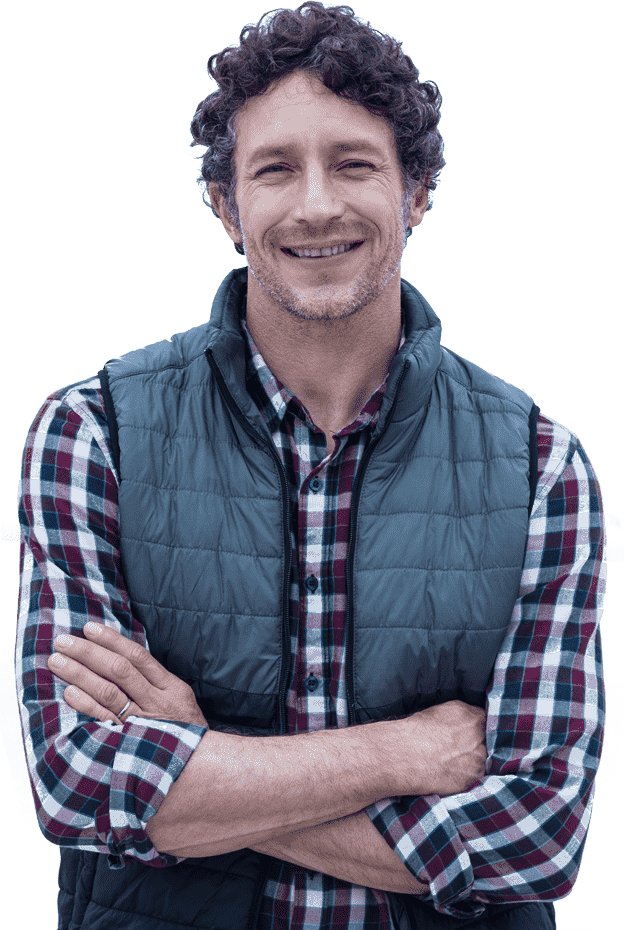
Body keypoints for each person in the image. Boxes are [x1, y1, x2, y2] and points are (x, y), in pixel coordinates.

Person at [14, 3, 606, 929]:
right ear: (227, 205)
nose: (317, 204)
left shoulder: (542, 467)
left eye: (355, 163)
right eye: (276, 168)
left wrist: (198, 758)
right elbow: (77, 782)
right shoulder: (93, 434)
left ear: (417, 194)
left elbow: (537, 836)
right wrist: (405, 754)